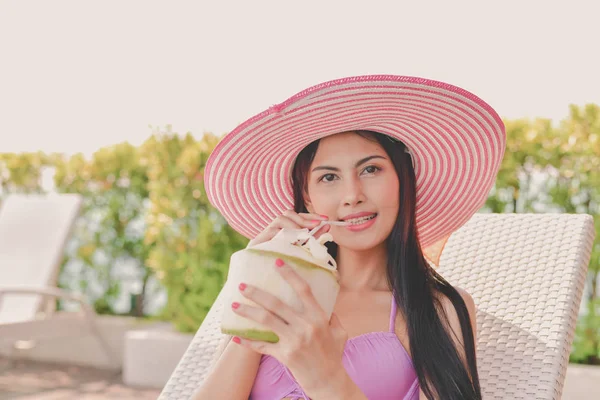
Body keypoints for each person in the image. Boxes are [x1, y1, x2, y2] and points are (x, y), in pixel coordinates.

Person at [193, 75, 506, 399]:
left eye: (370, 169)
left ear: (403, 180)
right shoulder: (281, 295)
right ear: (308, 198)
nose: (351, 195)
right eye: (329, 177)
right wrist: (259, 279)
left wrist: (325, 378)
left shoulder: (439, 309)